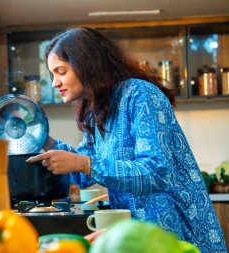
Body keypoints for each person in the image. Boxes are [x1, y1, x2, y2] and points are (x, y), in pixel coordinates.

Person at [26, 27, 227, 252]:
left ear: (87, 64)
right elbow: (84, 172)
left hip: (177, 234)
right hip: (137, 236)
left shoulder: (140, 95)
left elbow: (155, 173)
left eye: (61, 71)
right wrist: (40, 136)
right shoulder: (96, 110)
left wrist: (84, 164)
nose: (54, 83)